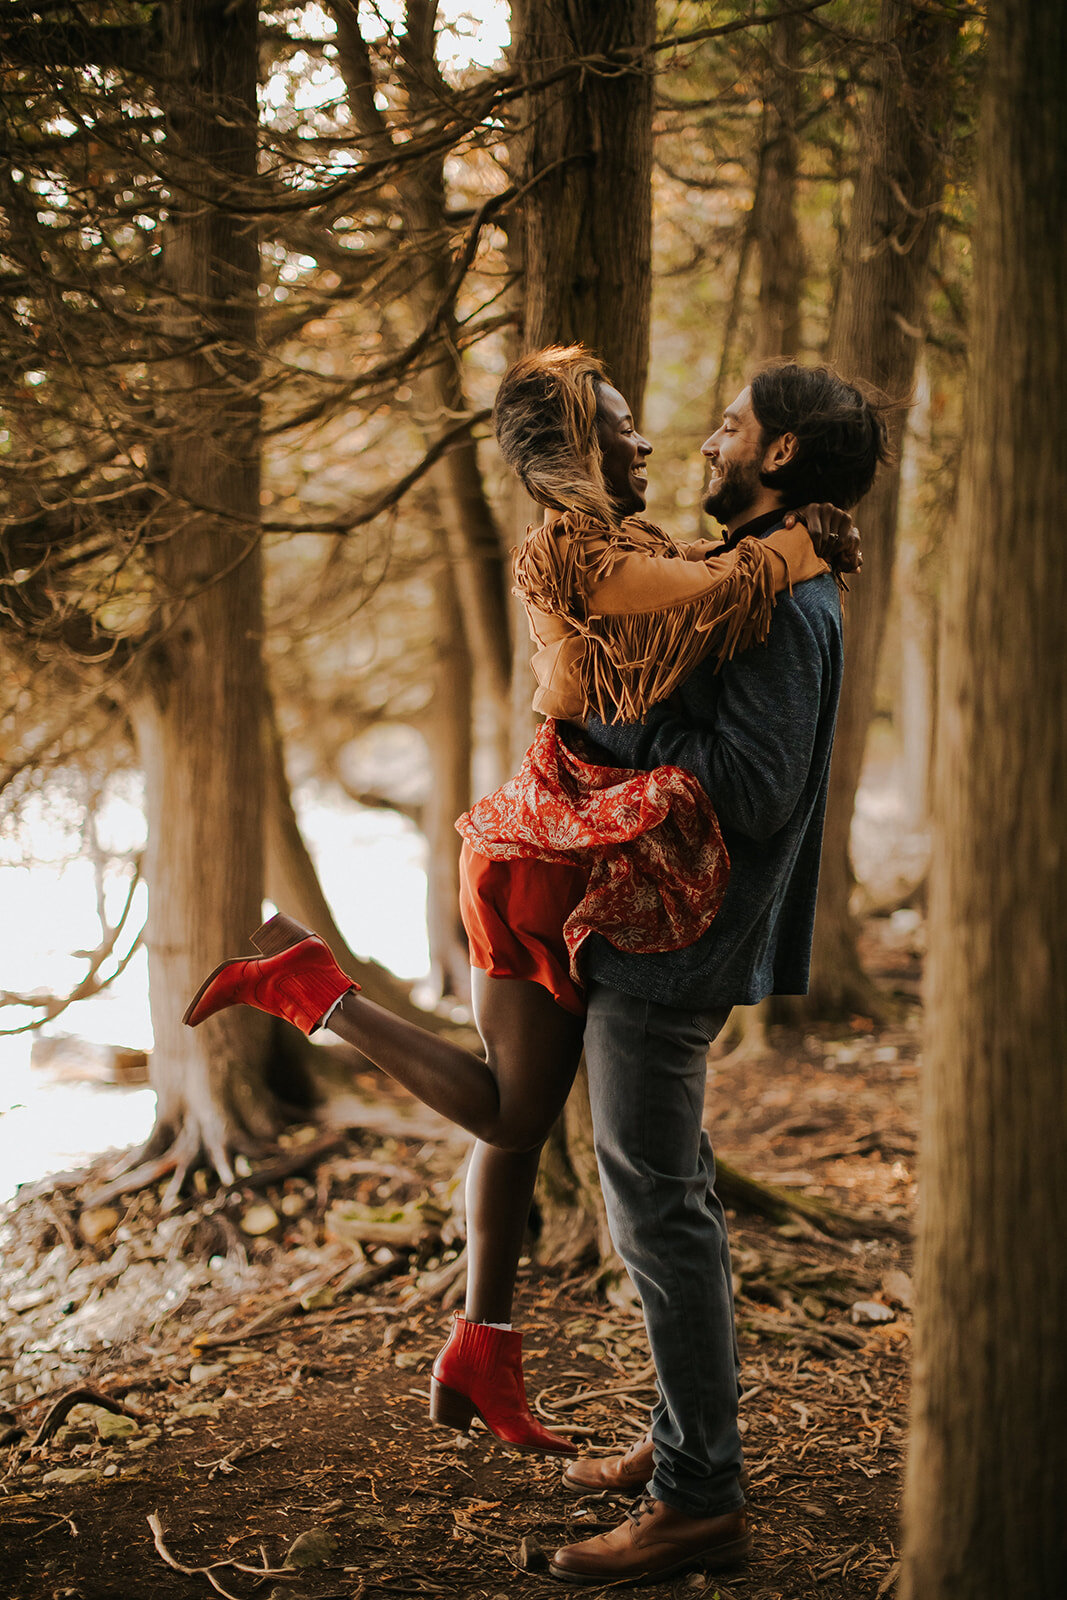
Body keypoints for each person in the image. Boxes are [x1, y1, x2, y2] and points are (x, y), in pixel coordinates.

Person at [182, 348, 859, 1471]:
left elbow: (700, 600)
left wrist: (786, 551)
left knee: (519, 1113)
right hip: (541, 852)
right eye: (623, 427)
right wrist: (788, 546)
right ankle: (312, 988)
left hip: (566, 849)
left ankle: (482, 1347)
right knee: (508, 1115)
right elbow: (704, 594)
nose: (653, 440)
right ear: (579, 452)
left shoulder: (631, 540)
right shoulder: (574, 548)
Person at [546, 362, 889, 1585]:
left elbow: (750, 788)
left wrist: (607, 717)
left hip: (672, 942)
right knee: (664, 1197)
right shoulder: (763, 573)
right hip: (662, 930)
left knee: (658, 1212)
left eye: (734, 424)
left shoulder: (787, 607)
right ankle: (684, 1443)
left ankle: (701, 1498)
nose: (710, 438)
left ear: (781, 452)